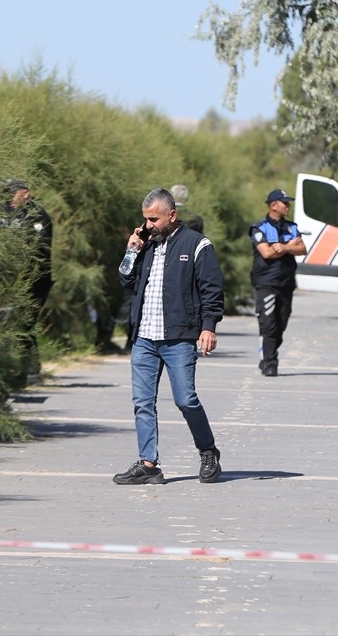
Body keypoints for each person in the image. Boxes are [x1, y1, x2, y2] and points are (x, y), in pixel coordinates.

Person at [114, 188, 224, 485]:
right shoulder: (146, 245)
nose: (148, 224)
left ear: (171, 215)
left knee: (186, 400)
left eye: (154, 219)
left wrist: (208, 326)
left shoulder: (197, 245)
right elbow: (126, 280)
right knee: (143, 401)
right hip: (145, 339)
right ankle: (149, 463)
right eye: (145, 219)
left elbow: (212, 289)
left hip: (179, 338)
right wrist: (131, 250)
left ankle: (208, 451)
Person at [0, 179, 54, 385]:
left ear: (25, 194)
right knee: (11, 324)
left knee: (25, 322)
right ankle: (18, 370)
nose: (9, 200)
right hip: (12, 282)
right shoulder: (10, 214)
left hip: (34, 281)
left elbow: (38, 249)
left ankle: (31, 371)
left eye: (12, 195)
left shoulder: (37, 216)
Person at [250, 188, 306, 377]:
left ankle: (267, 354)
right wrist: (290, 247)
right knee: (268, 324)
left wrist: (284, 247)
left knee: (281, 322)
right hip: (266, 283)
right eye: (285, 203)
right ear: (274, 205)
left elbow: (302, 249)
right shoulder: (259, 228)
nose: (288, 206)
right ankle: (270, 363)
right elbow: (266, 252)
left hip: (286, 283)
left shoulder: (292, 227)